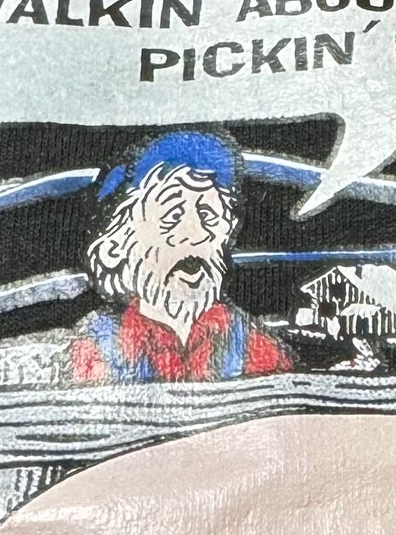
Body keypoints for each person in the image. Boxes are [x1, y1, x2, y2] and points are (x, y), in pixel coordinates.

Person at [68, 130, 292, 384]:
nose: (196, 235)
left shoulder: (251, 345)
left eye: (208, 216)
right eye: (173, 216)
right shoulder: (99, 346)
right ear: (114, 248)